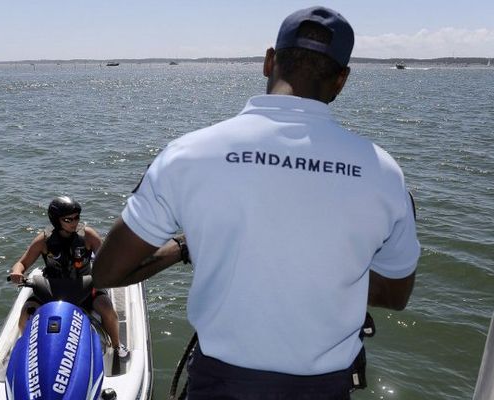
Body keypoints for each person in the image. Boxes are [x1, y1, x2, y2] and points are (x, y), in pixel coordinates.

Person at [91, 6, 420, 399]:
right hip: (326, 388)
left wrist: (183, 248)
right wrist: (320, 274)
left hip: (221, 385)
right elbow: (396, 294)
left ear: (269, 61)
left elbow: (109, 271)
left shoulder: (189, 155)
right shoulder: (385, 173)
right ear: (341, 80)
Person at [9, 196, 129, 359]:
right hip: (51, 288)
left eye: (77, 217)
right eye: (68, 219)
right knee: (27, 311)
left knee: (106, 308)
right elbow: (21, 263)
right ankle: (25, 347)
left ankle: (116, 345)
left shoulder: (88, 234)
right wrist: (17, 272)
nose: (74, 222)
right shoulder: (43, 240)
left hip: (85, 286)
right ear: (56, 220)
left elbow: (106, 258)